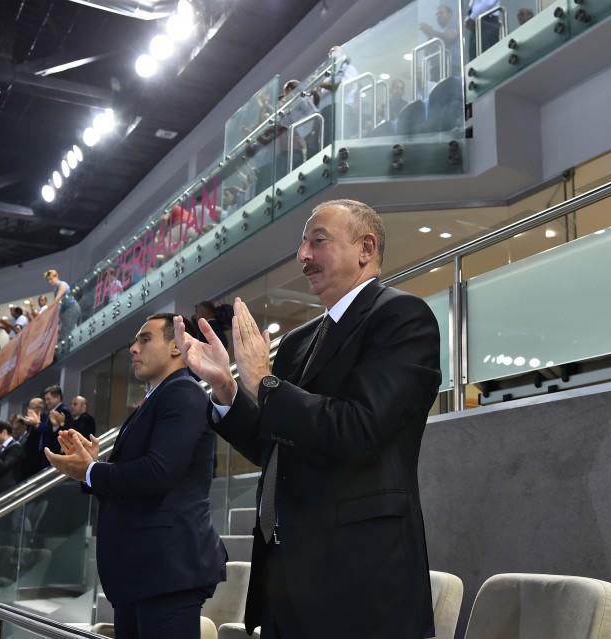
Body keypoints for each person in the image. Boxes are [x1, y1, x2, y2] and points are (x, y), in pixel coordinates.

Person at [175, 199, 441, 638]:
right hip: (285, 582)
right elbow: (273, 445)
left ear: (365, 247)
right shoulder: (300, 341)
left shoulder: (402, 317)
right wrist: (225, 387)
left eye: (318, 241)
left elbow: (358, 428)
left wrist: (262, 381)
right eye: (302, 244)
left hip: (358, 585)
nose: (303, 256)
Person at [45, 313, 227, 639]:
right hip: (143, 571)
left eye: (145, 339)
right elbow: (133, 484)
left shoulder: (183, 393)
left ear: (175, 347)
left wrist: (89, 471)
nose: (132, 348)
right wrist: (92, 464)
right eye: (134, 341)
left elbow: (158, 473)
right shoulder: (154, 400)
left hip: (168, 569)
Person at [420, 5, 460, 77]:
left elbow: (450, 37)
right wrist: (429, 36)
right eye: (437, 14)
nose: (438, 15)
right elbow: (426, 53)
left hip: (451, 66)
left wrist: (431, 32)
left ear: (449, 14)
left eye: (441, 13)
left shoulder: (455, 25)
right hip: (436, 69)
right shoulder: (436, 32)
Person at [46, 269, 81, 340]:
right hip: (64, 313)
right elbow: (57, 305)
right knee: (66, 332)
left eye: (51, 279)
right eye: (48, 280)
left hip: (71, 309)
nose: (49, 281)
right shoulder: (55, 290)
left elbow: (57, 299)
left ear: (56, 276)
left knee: (68, 333)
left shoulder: (63, 284)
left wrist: (49, 308)